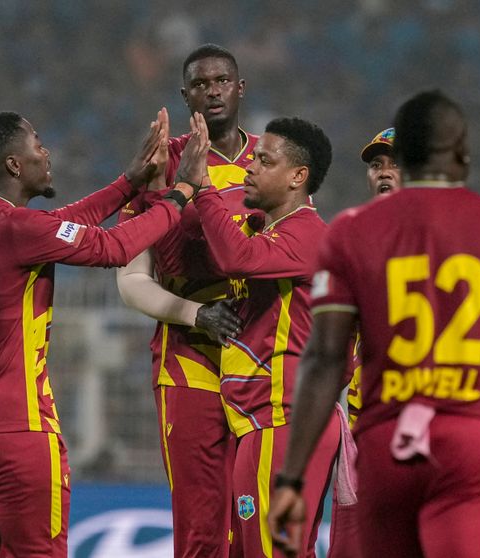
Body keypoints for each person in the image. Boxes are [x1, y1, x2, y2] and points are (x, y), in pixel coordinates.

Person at [267, 89, 480, 558]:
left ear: (405, 159)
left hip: (387, 441)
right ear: (462, 155)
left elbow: (323, 359)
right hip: (473, 437)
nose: (384, 171)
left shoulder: (349, 233)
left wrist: (291, 477)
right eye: (376, 165)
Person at [0, 108, 194, 557]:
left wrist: (128, 183)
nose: (46, 152)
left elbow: (60, 224)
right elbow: (115, 247)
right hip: (16, 429)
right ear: (14, 164)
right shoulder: (19, 228)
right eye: (36, 143)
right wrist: (181, 194)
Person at [175, 112, 340, 558]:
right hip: (265, 422)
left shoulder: (305, 234)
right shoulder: (271, 232)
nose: (249, 167)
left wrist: (203, 187)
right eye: (253, 158)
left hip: (280, 419)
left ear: (298, 177)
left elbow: (236, 259)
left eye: (265, 161)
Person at [116, 43, 256, 558]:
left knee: (256, 520)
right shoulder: (161, 164)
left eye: (222, 81)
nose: (212, 92)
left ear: (240, 88)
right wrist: (197, 314)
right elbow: (131, 279)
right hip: (188, 360)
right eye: (200, 84)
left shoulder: (274, 162)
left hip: (261, 360)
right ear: (184, 95)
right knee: (201, 525)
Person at [326, 127, 402, 558]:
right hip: (362, 435)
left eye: (396, 164)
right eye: (376, 165)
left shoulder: (448, 244)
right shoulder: (353, 244)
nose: (384, 173)